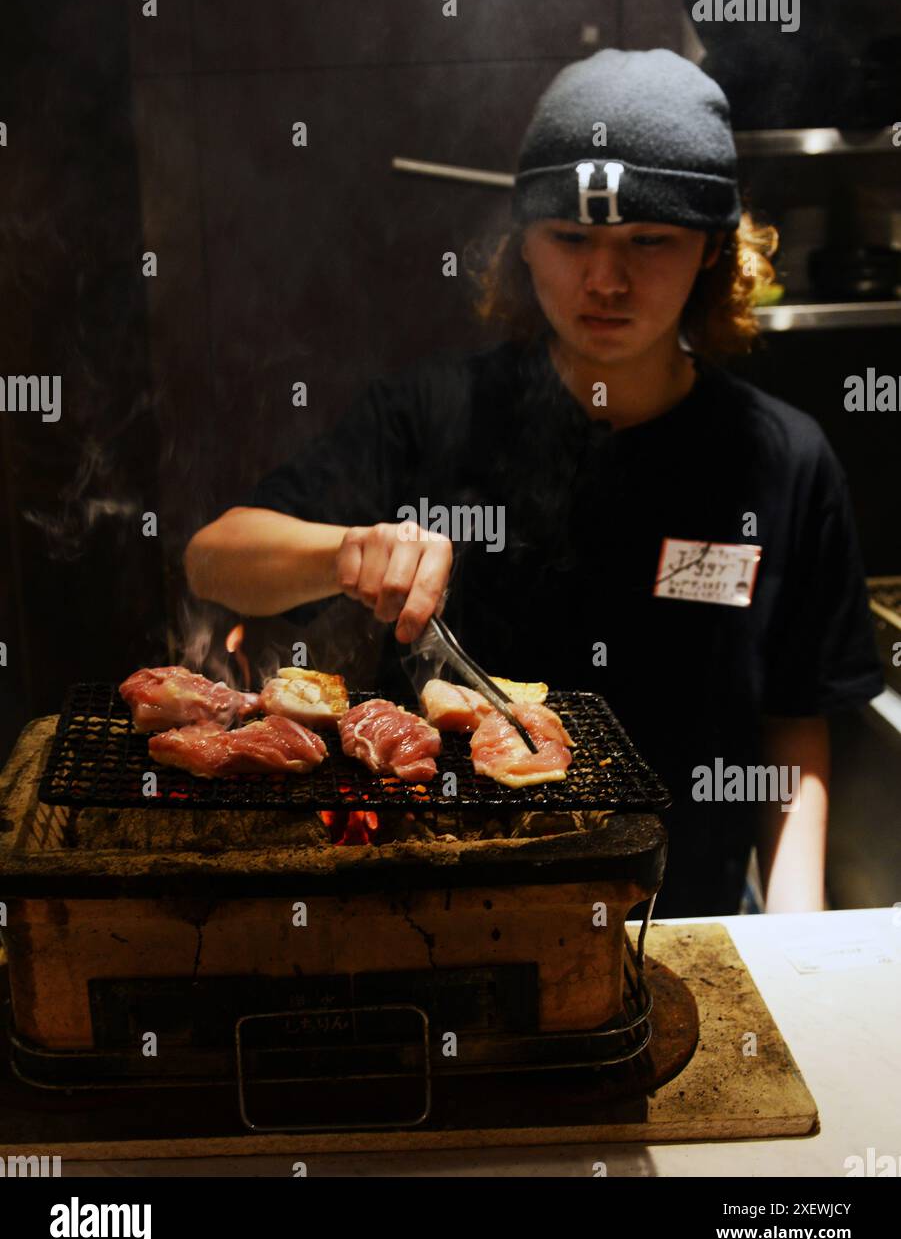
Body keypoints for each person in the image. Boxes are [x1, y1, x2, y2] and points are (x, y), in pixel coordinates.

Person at [185, 48, 884, 919]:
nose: (604, 280)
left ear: (713, 248)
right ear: (523, 242)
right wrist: (347, 550)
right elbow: (214, 560)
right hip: (446, 909)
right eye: (571, 239)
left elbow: (792, 721)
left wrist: (793, 940)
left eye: (648, 241)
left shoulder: (783, 457)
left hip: (683, 919)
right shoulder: (435, 410)